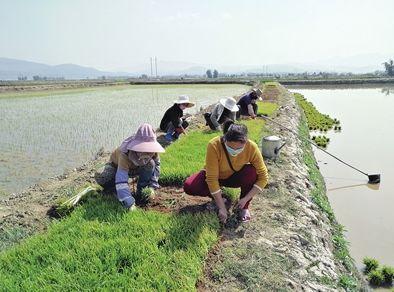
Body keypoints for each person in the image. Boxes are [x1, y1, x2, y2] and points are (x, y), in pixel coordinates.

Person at [183, 120, 269, 223]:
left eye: (239, 148)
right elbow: (211, 178)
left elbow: (264, 176)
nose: (234, 151)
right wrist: (222, 207)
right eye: (230, 148)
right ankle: (220, 198)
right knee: (190, 186)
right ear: (225, 140)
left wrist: (246, 199)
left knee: (251, 172)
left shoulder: (251, 148)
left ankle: (244, 207)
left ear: (246, 142)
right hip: (216, 176)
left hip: (233, 177)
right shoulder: (214, 145)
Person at [95, 123, 165, 209]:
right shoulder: (124, 153)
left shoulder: (154, 153)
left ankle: (141, 191)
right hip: (116, 168)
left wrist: (152, 187)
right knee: (101, 175)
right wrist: (128, 201)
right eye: (143, 149)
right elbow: (121, 177)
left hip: (137, 169)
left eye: (149, 150)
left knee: (151, 164)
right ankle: (114, 190)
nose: (147, 153)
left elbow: (157, 166)